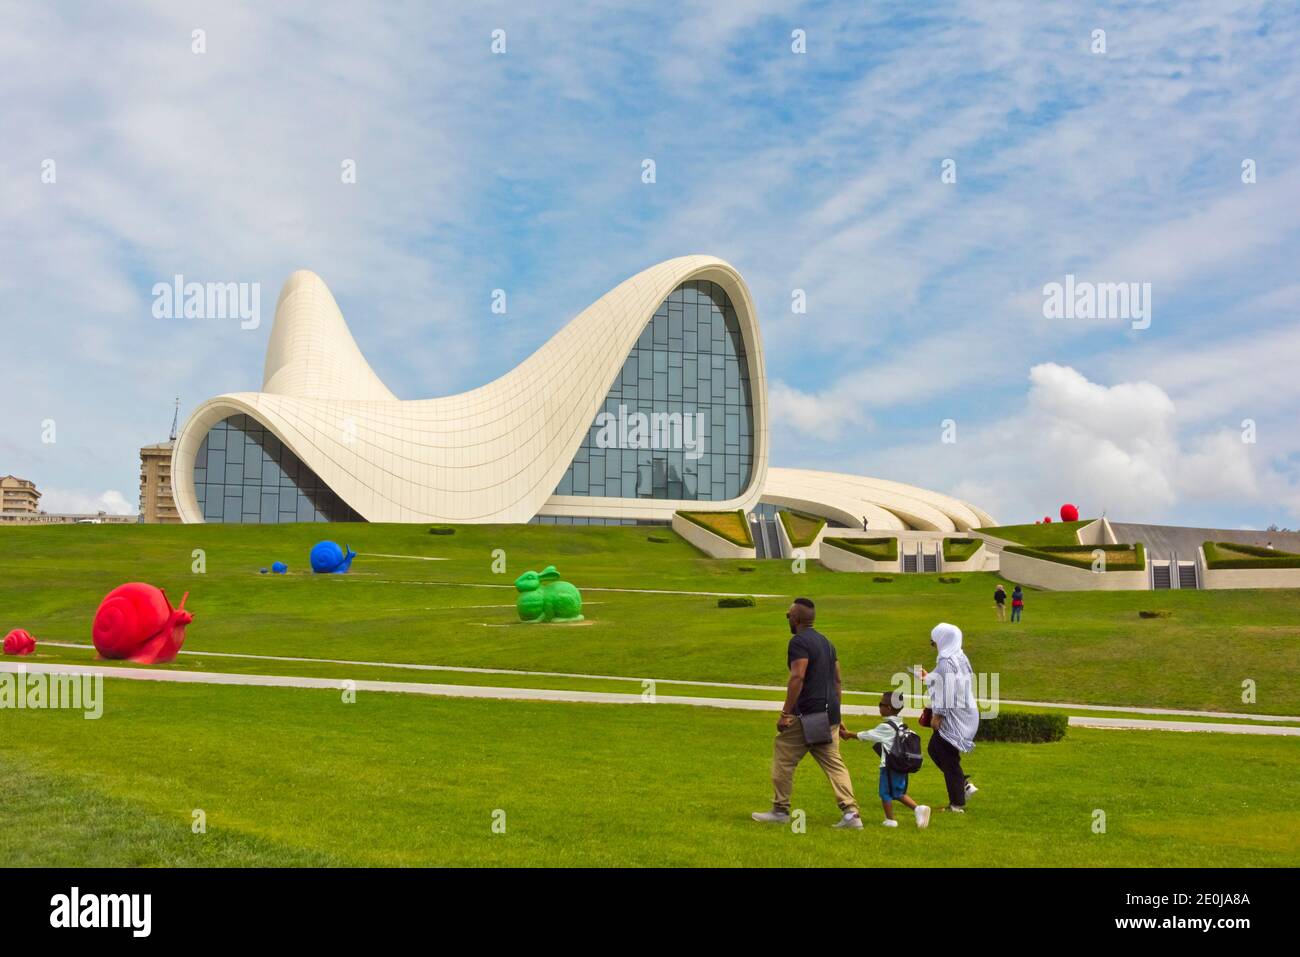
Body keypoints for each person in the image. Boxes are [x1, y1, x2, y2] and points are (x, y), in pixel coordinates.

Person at [753, 598, 862, 829]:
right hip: (829, 715)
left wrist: (785, 713)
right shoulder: (827, 642)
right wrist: (838, 714)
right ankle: (851, 814)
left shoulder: (799, 642)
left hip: (810, 716)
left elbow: (797, 676)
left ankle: (780, 810)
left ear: (797, 619)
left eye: (788, 615)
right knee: (834, 763)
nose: (787, 619)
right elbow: (837, 680)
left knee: (784, 753)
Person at [840, 691, 931, 829]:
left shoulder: (887, 727)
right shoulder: (900, 724)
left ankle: (891, 820)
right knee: (897, 792)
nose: (879, 707)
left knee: (885, 793)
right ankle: (918, 809)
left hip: (889, 766)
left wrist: (849, 734)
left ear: (888, 708)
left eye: (880, 704)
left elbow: (868, 735)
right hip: (900, 765)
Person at [918, 623, 979, 812]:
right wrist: (929, 678)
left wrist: (938, 716)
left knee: (945, 755)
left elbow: (948, 692)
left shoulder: (946, 663)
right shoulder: (959, 657)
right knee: (938, 750)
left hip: (954, 717)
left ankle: (957, 803)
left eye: (934, 642)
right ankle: (962, 786)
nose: (934, 646)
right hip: (966, 713)